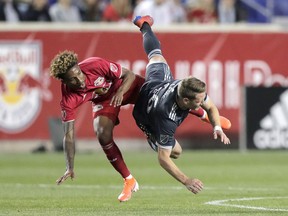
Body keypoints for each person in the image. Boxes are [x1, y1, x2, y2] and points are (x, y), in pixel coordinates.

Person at [132, 15, 231, 194]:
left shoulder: (187, 88)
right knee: (175, 152)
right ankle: (192, 119)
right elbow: (163, 159)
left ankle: (143, 24)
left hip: (158, 82)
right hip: (145, 115)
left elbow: (212, 107)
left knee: (156, 57)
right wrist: (186, 180)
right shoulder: (167, 119)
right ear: (186, 100)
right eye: (199, 101)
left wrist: (217, 127)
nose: (203, 102)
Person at [49, 51, 143, 202]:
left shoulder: (94, 65)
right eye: (72, 80)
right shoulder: (68, 99)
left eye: (78, 74)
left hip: (123, 87)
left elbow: (130, 75)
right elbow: (69, 136)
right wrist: (70, 167)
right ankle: (129, 180)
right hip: (105, 101)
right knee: (102, 134)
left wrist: (119, 92)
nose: (79, 80)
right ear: (63, 82)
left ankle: (195, 110)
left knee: (156, 97)